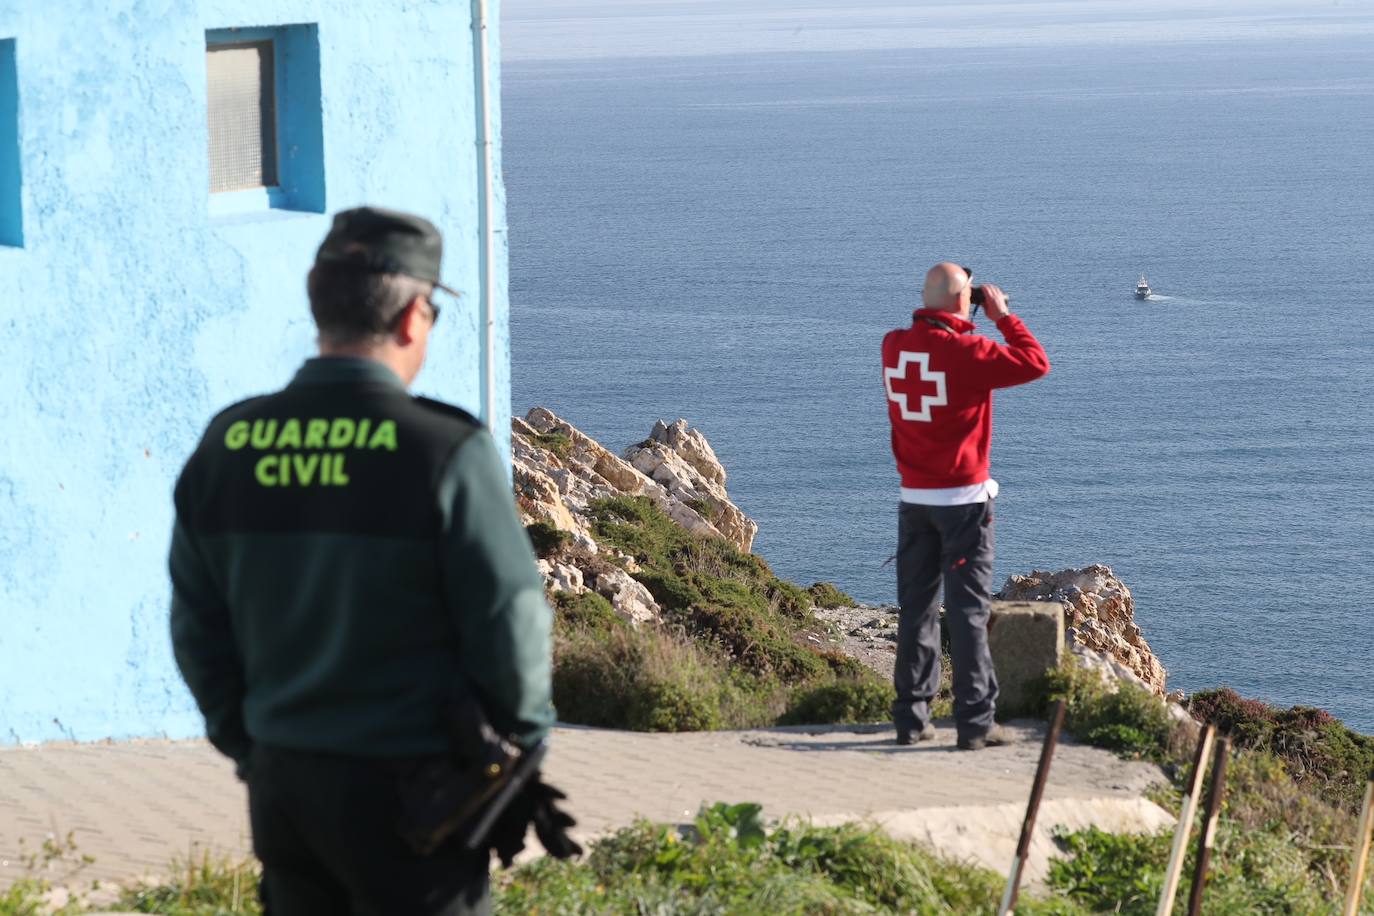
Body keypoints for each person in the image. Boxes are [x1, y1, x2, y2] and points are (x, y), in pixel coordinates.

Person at [169, 207, 562, 914]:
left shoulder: (227, 445)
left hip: (285, 783)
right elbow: (512, 625)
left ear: (320, 305)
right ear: (415, 316)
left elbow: (197, 631)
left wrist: (255, 747)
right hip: (418, 789)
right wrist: (513, 750)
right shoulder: (445, 451)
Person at [882, 262, 1050, 750]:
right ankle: (975, 723)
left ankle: (911, 720)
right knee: (967, 611)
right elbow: (1035, 362)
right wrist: (1000, 316)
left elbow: (930, 337)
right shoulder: (971, 352)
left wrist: (961, 309)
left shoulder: (893, 346)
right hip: (964, 504)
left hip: (913, 501)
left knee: (916, 611)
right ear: (964, 301)